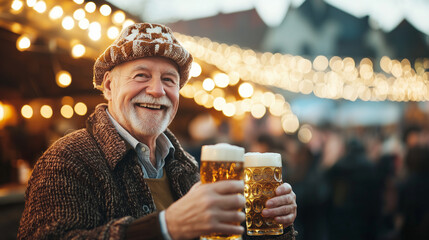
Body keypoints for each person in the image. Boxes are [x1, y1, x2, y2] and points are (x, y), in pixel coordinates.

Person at [17, 23, 297, 240]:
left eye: (168, 80)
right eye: (141, 75)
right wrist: (165, 227)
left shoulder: (185, 164)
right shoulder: (67, 159)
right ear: (109, 86)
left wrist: (278, 227)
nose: (157, 90)